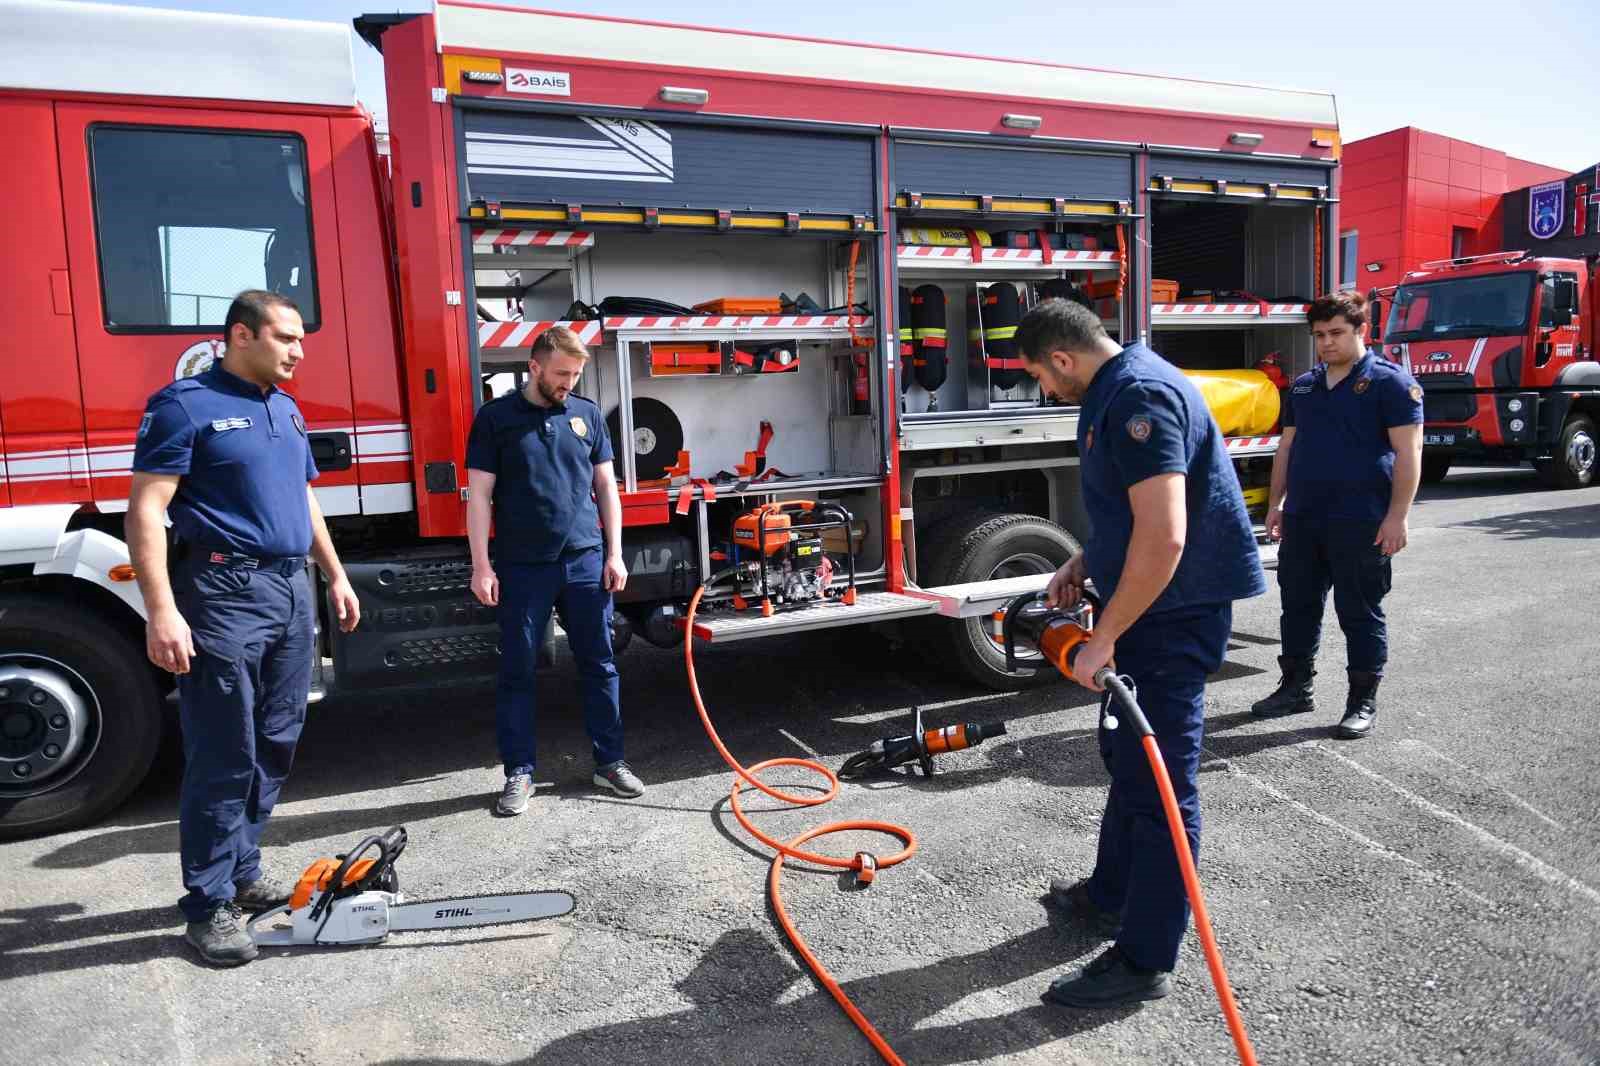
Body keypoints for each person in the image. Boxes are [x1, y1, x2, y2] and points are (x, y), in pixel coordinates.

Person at [1012, 299, 1266, 1008]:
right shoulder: (1114, 388)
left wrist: (1104, 637)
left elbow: (1165, 535)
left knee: (1159, 784)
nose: (1044, 389)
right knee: (1126, 756)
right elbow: (1130, 514)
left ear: (1063, 358)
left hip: (1171, 616)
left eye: (1040, 375)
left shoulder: (1140, 397)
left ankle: (1145, 959)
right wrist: (1087, 562)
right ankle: (1110, 896)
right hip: (1148, 606)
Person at [127, 290, 361, 967]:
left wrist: (336, 574)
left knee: (277, 738)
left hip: (290, 589)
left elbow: (303, 498)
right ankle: (207, 904)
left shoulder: (284, 408)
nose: (299, 351)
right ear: (240, 335)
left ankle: (240, 868)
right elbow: (146, 509)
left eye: (301, 341)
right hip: (223, 591)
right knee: (224, 749)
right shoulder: (184, 406)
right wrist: (163, 609)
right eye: (287, 338)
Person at [465, 326, 644, 816]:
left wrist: (615, 553)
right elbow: (479, 496)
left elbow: (606, 488)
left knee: (600, 663)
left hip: (586, 559)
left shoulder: (586, 415)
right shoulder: (496, 419)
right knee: (518, 672)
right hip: (523, 566)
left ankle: (610, 762)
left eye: (576, 374)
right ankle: (519, 772)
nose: (569, 382)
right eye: (562, 374)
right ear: (535, 367)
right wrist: (482, 565)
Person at [1251, 290, 1423, 738]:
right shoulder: (1306, 386)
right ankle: (1294, 689)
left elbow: (1409, 452)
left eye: (1336, 333)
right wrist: (1276, 504)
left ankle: (1361, 702)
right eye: (1319, 335)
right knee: (1298, 607)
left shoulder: (1390, 384)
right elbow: (1287, 447)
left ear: (1361, 330)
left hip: (1362, 520)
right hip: (1306, 519)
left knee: (1359, 612)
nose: (1326, 343)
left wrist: (1397, 517)